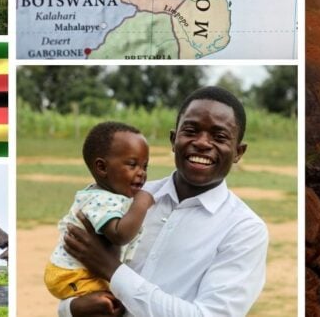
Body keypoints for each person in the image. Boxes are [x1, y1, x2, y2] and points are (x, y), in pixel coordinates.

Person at [60, 86, 269, 317]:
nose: (202, 143)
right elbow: (75, 279)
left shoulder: (244, 229)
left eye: (219, 137)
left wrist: (112, 269)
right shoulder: (124, 198)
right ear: (173, 139)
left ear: (238, 152)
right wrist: (71, 308)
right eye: (191, 130)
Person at [46, 121, 152, 300]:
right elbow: (119, 235)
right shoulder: (100, 200)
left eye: (145, 166)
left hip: (83, 272)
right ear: (102, 167)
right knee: (117, 301)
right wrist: (141, 203)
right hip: (72, 275)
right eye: (132, 165)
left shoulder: (109, 195)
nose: (141, 173)